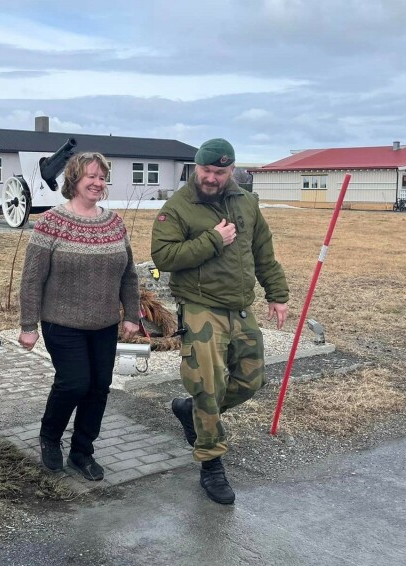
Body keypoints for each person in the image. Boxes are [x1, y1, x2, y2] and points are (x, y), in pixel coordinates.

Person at [150, 138, 289, 505]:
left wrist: (277, 294)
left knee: (251, 379)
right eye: (206, 170)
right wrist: (213, 239)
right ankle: (211, 463)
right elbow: (163, 256)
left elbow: (263, 251)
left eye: (220, 171)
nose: (211, 178)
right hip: (201, 307)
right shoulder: (178, 207)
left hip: (240, 307)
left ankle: (190, 410)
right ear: (196, 167)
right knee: (208, 386)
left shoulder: (247, 201)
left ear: (232, 171)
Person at [18, 151, 140, 481]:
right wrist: (28, 325)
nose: (98, 183)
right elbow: (32, 278)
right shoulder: (51, 223)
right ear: (74, 179)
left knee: (99, 387)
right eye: (91, 177)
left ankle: (82, 452)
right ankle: (49, 436)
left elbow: (129, 274)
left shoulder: (115, 223)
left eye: (102, 177)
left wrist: (132, 314)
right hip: (62, 322)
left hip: (104, 324)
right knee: (74, 383)